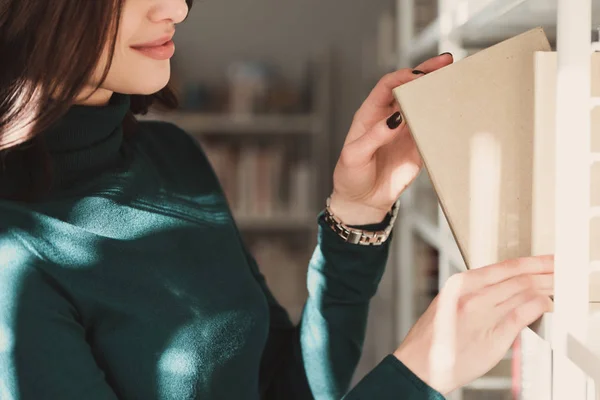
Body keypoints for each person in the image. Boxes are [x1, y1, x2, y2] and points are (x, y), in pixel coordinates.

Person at [0, 1, 554, 399]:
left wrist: (356, 212)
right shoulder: (12, 258)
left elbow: (292, 387)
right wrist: (418, 375)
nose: (176, 8)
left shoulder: (172, 156)